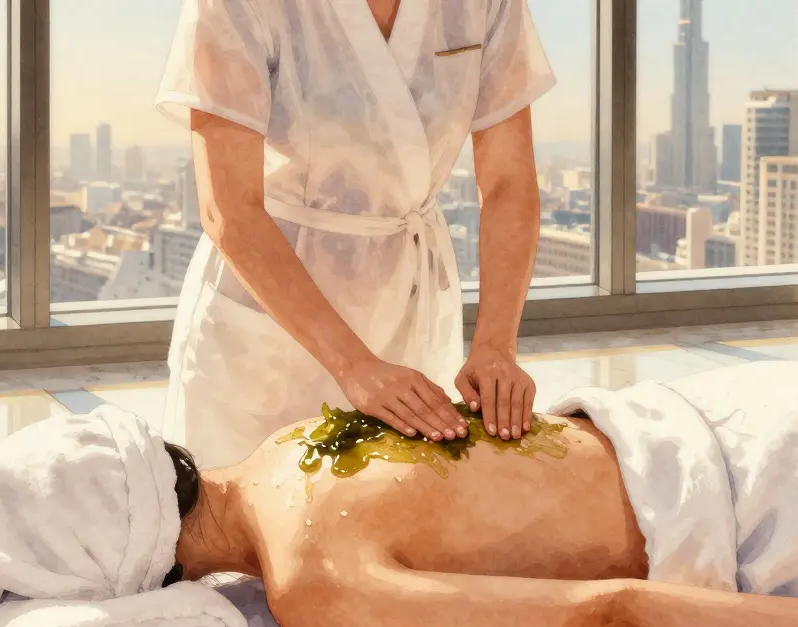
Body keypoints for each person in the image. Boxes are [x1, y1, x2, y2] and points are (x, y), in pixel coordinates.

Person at [157, 360, 798, 627]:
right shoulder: (289, 440)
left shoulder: (312, 582)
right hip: (752, 407)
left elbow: (608, 619)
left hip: (792, 499)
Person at [154, 0, 556, 469]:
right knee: (245, 522)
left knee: (401, 519)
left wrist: (495, 346)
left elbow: (508, 184)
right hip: (272, 315)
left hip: (408, 300)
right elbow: (228, 209)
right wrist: (353, 364)